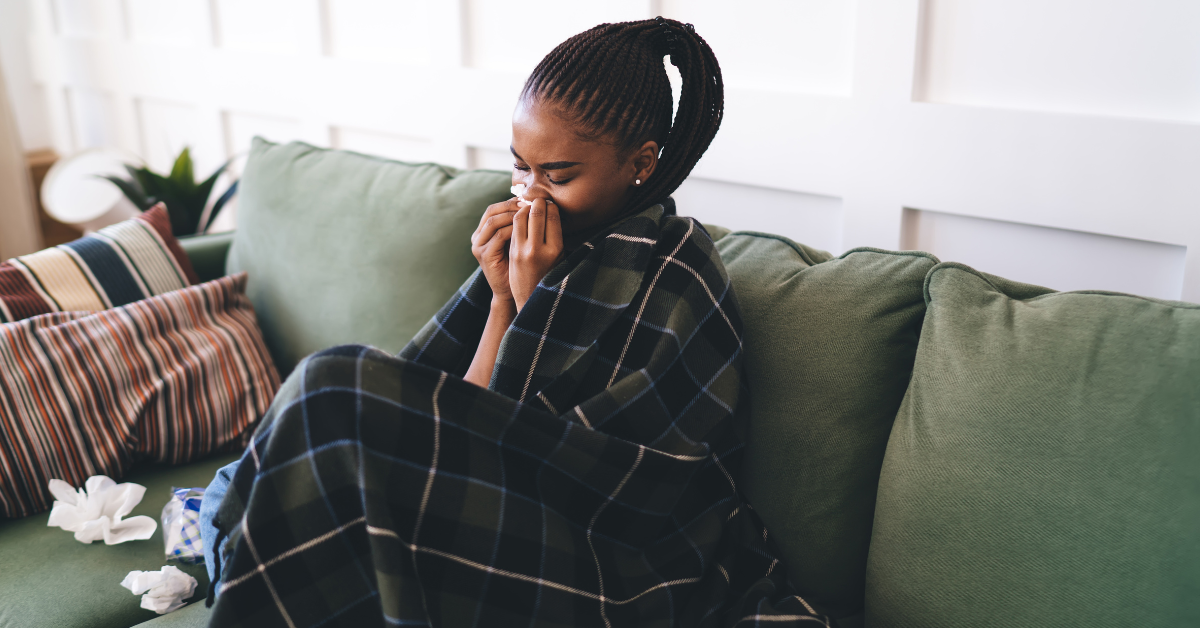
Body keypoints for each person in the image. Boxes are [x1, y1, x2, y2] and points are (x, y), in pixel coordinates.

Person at [202, 18, 834, 627]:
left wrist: (540, 306)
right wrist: (506, 298)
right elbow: (466, 419)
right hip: (489, 505)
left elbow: (629, 483)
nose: (530, 194)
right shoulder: (519, 251)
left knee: (332, 386)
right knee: (311, 416)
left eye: (558, 175)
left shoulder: (680, 269)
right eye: (520, 167)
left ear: (640, 161)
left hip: (609, 555)